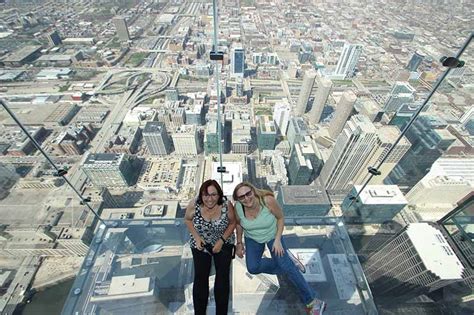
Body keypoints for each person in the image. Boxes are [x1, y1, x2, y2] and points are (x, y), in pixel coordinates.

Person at [233, 182, 326, 315]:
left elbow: (281, 218)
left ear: (253, 191)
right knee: (253, 268)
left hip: (272, 236)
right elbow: (238, 224)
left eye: (248, 193)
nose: (246, 198)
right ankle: (289, 263)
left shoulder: (267, 201)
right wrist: (239, 243)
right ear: (238, 199)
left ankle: (312, 301)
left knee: (288, 268)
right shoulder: (238, 208)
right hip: (253, 237)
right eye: (242, 197)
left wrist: (277, 240)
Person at [185, 179, 236, 315]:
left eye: (214, 194)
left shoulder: (226, 205)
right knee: (201, 277)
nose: (210, 199)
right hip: (201, 242)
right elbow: (187, 220)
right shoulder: (194, 204)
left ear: (219, 195)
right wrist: (196, 237)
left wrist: (221, 240)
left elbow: (232, 223)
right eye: (206, 195)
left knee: (222, 278)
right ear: (201, 195)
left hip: (224, 241)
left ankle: (221, 312)